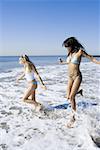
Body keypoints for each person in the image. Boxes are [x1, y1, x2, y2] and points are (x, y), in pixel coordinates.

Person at [60, 37, 100, 127]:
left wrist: (99, 63)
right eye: (66, 47)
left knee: (71, 97)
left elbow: (91, 58)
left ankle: (73, 118)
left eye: (67, 46)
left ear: (72, 45)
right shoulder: (69, 53)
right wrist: (62, 62)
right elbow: (69, 63)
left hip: (77, 77)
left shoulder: (80, 52)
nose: (67, 48)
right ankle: (78, 91)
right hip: (70, 77)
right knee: (68, 96)